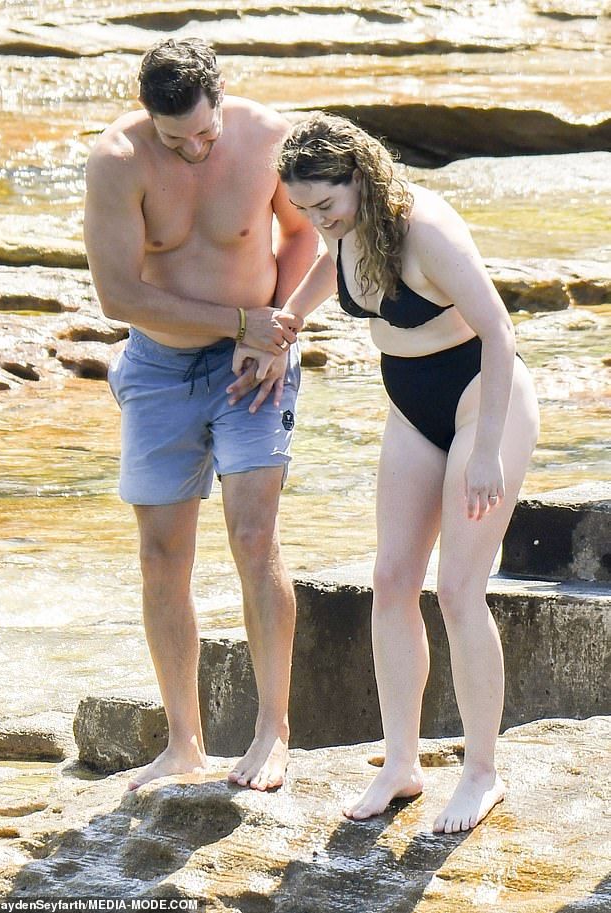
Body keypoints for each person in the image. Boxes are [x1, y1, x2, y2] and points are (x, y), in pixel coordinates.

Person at [271, 112, 539, 833]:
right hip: (412, 408)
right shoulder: (341, 227)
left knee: (457, 589)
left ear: (359, 177)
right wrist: (288, 321)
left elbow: (499, 331)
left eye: (326, 205)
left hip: (484, 400)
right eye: (302, 209)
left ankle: (481, 771)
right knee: (391, 581)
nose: (318, 222)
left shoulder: (426, 229)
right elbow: (330, 269)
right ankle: (401, 763)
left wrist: (486, 450)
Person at [83, 38, 318, 792]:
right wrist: (239, 322)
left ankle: (273, 731)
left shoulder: (267, 137)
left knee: (253, 535)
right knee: (161, 554)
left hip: (256, 364)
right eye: (174, 137)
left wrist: (276, 332)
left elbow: (305, 235)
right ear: (149, 117)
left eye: (204, 134)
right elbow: (117, 295)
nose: (193, 149)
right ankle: (183, 742)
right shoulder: (118, 160)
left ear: (221, 99)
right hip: (159, 366)